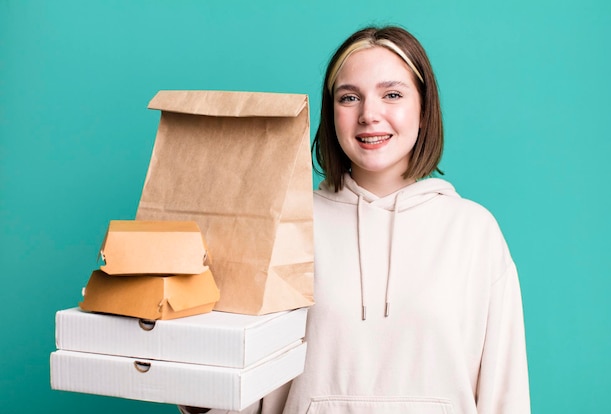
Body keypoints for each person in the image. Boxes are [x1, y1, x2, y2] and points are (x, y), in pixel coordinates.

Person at [181, 25, 530, 414]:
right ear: (332, 114)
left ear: (424, 108)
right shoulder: (287, 225)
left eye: (392, 94)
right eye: (350, 98)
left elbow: (506, 395)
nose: (369, 114)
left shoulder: (473, 231)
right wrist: (197, 386)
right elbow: (248, 385)